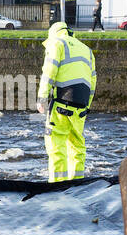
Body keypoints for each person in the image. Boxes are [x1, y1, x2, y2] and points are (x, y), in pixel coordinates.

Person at [36, 21, 97, 183]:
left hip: (62, 103)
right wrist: (87, 106)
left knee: (56, 145)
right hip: (81, 106)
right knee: (77, 146)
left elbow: (49, 72)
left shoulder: (57, 44)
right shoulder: (87, 50)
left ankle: (57, 185)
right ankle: (77, 184)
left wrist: (42, 98)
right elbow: (93, 82)